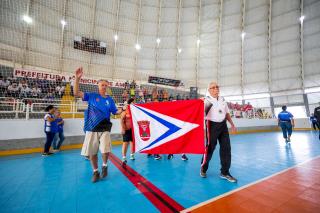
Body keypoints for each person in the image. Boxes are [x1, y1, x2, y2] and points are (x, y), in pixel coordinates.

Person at [74, 67, 122, 183]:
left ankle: (104, 165)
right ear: (98, 86)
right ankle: (95, 171)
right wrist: (77, 79)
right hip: (92, 127)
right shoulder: (91, 96)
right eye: (102, 85)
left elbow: (114, 112)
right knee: (92, 152)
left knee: (106, 150)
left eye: (106, 85)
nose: (104, 87)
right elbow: (76, 93)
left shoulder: (109, 100)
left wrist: (121, 110)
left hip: (105, 128)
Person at [200, 82, 237, 183]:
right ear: (209, 90)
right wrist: (199, 104)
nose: (216, 89)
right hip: (211, 125)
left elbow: (227, 113)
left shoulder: (222, 99)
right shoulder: (205, 101)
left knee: (226, 148)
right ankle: (203, 168)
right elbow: (199, 113)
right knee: (210, 148)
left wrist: (232, 124)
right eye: (213, 87)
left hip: (223, 125)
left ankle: (224, 172)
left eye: (217, 87)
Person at [120, 98, 135, 163]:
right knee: (125, 143)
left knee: (132, 143)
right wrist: (123, 129)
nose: (134, 103)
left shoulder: (134, 111)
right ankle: (124, 157)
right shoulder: (125, 111)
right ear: (130, 103)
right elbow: (121, 120)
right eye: (133, 102)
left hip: (133, 130)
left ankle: (132, 155)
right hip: (126, 129)